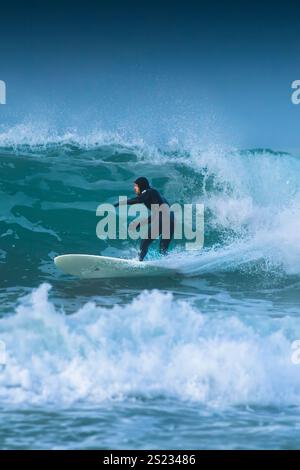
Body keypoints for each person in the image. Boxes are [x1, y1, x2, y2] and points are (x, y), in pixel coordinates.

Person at [114, 177, 175, 261]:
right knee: (163, 249)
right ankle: (169, 264)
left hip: (164, 218)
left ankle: (139, 262)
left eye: (136, 186)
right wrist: (140, 224)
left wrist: (120, 203)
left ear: (141, 186)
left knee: (144, 243)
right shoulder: (155, 194)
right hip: (171, 220)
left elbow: (138, 200)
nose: (134, 188)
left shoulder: (148, 192)